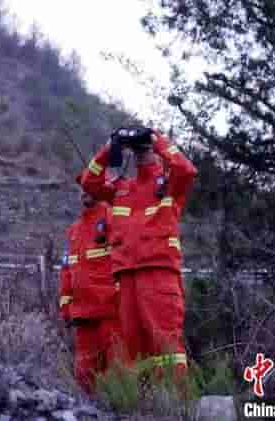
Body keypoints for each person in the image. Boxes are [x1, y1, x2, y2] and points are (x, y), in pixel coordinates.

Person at [78, 126, 197, 391]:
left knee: (165, 343)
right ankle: (141, 406)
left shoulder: (168, 185)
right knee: (132, 349)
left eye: (145, 150)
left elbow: (187, 170)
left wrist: (156, 141)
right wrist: (109, 149)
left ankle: (176, 407)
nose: (142, 155)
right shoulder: (121, 189)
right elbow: (89, 183)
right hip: (126, 276)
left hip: (158, 274)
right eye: (138, 150)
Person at [58, 177, 122, 393]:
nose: (85, 192)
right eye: (82, 189)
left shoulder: (113, 217)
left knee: (116, 372)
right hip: (83, 315)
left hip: (111, 312)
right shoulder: (73, 231)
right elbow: (67, 270)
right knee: (84, 376)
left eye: (90, 188)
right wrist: (66, 305)